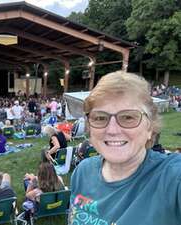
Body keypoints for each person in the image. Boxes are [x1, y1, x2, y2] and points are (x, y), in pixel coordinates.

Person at [70, 71, 181, 225]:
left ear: (150, 127)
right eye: (100, 118)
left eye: (128, 117)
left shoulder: (172, 177)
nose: (112, 130)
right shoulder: (82, 172)